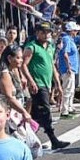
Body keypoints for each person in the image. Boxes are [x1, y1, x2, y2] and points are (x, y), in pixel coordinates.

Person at [22, 22, 70, 150]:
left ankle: (25, 138)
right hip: (38, 84)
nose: (46, 34)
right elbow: (23, 65)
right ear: (37, 33)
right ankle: (53, 139)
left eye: (48, 32)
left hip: (47, 83)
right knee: (45, 111)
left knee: (36, 114)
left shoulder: (50, 47)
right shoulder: (32, 47)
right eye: (43, 32)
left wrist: (58, 84)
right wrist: (31, 81)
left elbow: (52, 66)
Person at [58, 22, 80, 119]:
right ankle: (64, 110)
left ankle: (69, 107)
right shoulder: (66, 39)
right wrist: (68, 66)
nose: (76, 32)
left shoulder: (70, 39)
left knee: (71, 90)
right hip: (68, 68)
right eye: (75, 30)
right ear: (71, 31)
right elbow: (65, 54)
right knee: (67, 89)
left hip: (72, 68)